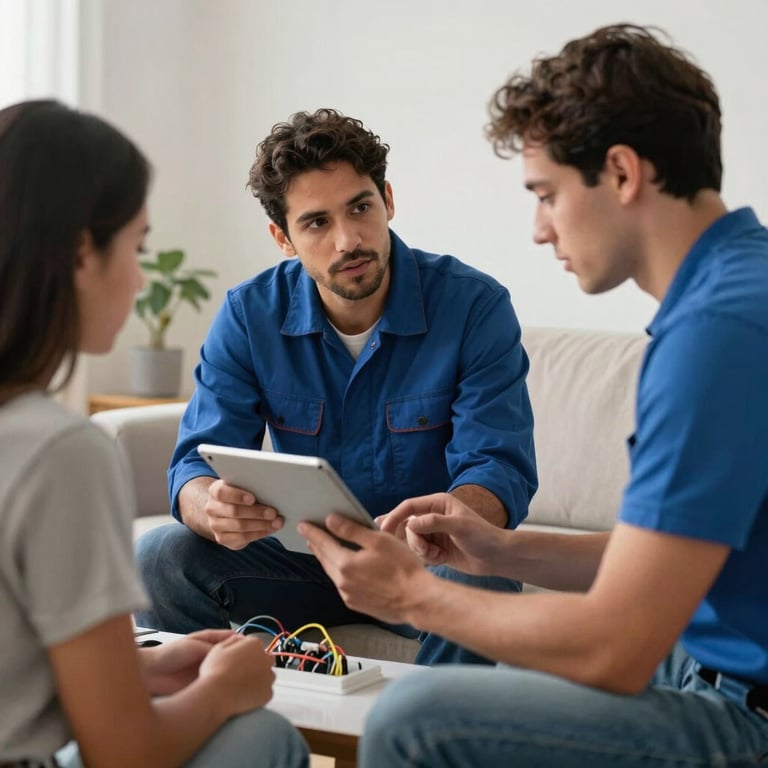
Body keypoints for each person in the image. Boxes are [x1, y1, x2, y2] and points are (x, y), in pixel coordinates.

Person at [299, 24, 768, 767]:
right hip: (706, 665)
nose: (539, 229)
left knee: (415, 718)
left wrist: (413, 596)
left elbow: (616, 645)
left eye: (547, 194)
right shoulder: (742, 286)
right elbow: (671, 556)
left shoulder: (716, 336)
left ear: (621, 173)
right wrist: (502, 551)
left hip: (745, 715)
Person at [134, 108, 538, 666]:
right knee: (158, 556)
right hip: (302, 562)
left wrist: (444, 522)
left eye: (361, 208)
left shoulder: (474, 307)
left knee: (484, 579)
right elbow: (192, 466)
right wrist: (212, 507)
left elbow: (499, 470)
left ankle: (417, 743)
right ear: (283, 237)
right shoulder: (249, 316)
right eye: (317, 223)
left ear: (388, 200)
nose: (349, 239)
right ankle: (224, 731)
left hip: (426, 561)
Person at [0, 99, 308, 768]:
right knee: (263, 734)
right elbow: (124, 751)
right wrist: (224, 691)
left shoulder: (466, 302)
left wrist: (139, 670)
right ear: (82, 251)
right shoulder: (60, 451)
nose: (141, 278)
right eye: (137, 247)